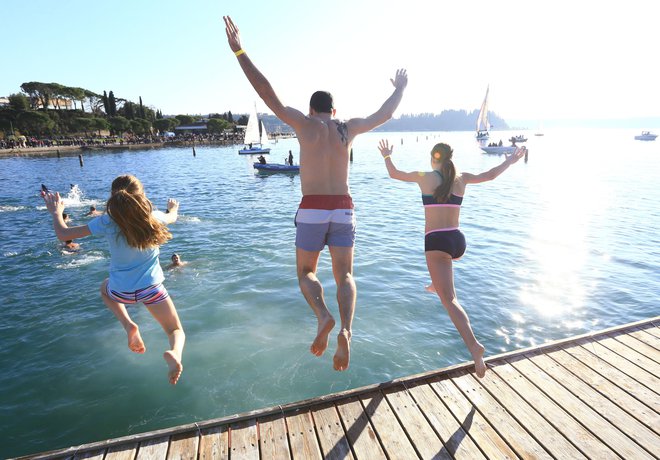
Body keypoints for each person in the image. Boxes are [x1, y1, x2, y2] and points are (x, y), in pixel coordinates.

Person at [225, 16, 407, 371]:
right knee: (346, 276)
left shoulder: (303, 124)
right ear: (333, 111)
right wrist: (399, 89)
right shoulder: (347, 127)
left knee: (307, 273)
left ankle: (323, 317)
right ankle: (348, 332)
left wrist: (240, 51)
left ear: (310, 109)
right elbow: (384, 114)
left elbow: (267, 93)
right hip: (343, 207)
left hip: (311, 207)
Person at [377, 139, 526, 378]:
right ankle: (436, 282)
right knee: (442, 273)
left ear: (433, 158)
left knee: (450, 300)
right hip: (457, 241)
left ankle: (475, 347)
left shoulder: (424, 176)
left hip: (436, 242)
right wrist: (511, 159)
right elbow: (490, 175)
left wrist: (386, 155)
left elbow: (394, 173)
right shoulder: (462, 178)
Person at [41, 175, 185, 385]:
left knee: (104, 288)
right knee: (175, 330)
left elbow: (63, 234)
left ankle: (128, 325)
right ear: (141, 195)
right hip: (152, 290)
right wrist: (172, 208)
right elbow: (172, 217)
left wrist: (56, 213)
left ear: (114, 197)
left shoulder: (107, 221)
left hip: (120, 291)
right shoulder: (153, 217)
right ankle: (175, 354)